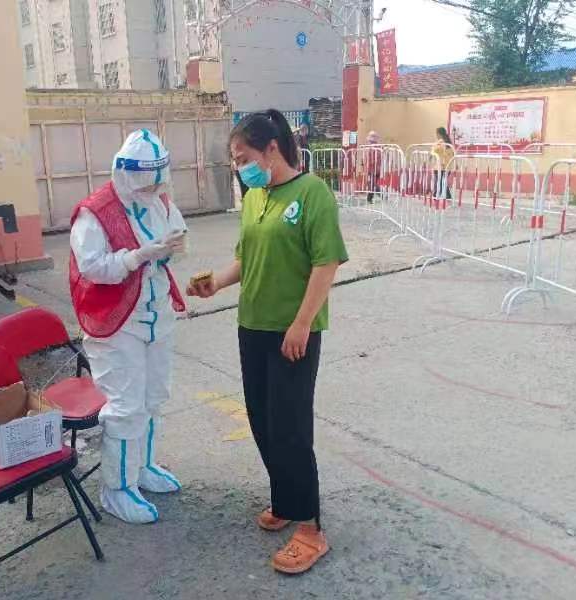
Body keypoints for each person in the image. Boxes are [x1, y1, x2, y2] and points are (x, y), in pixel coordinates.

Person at [188, 110, 348, 574]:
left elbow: (325, 263)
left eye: (244, 158)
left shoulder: (312, 193)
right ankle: (285, 498)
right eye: (236, 161)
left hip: (292, 330)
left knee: (291, 426)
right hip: (253, 325)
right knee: (262, 419)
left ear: (271, 149)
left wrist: (302, 323)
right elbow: (246, 258)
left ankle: (310, 528)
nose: (240, 167)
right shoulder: (255, 197)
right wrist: (215, 284)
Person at [69, 129, 187, 524]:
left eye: (158, 179)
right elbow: (91, 268)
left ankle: (143, 467)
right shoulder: (95, 212)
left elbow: (175, 232)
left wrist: (173, 248)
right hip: (116, 322)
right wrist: (136, 257)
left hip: (156, 315)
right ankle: (117, 488)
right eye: (146, 180)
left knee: (153, 397)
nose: (153, 188)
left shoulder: (159, 199)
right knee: (124, 406)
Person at [432, 127, 455, 199]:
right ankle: (446, 195)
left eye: (436, 134)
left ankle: (436, 194)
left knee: (439, 181)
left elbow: (433, 151)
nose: (436, 135)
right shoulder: (449, 143)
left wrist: (433, 148)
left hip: (440, 165)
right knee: (442, 181)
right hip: (447, 166)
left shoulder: (440, 142)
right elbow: (452, 154)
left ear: (439, 134)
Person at [365, 130, 382, 204]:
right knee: (373, 184)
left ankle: (381, 196)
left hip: (372, 169)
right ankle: (370, 198)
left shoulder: (371, 148)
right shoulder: (378, 147)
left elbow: (371, 159)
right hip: (376, 169)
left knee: (372, 184)